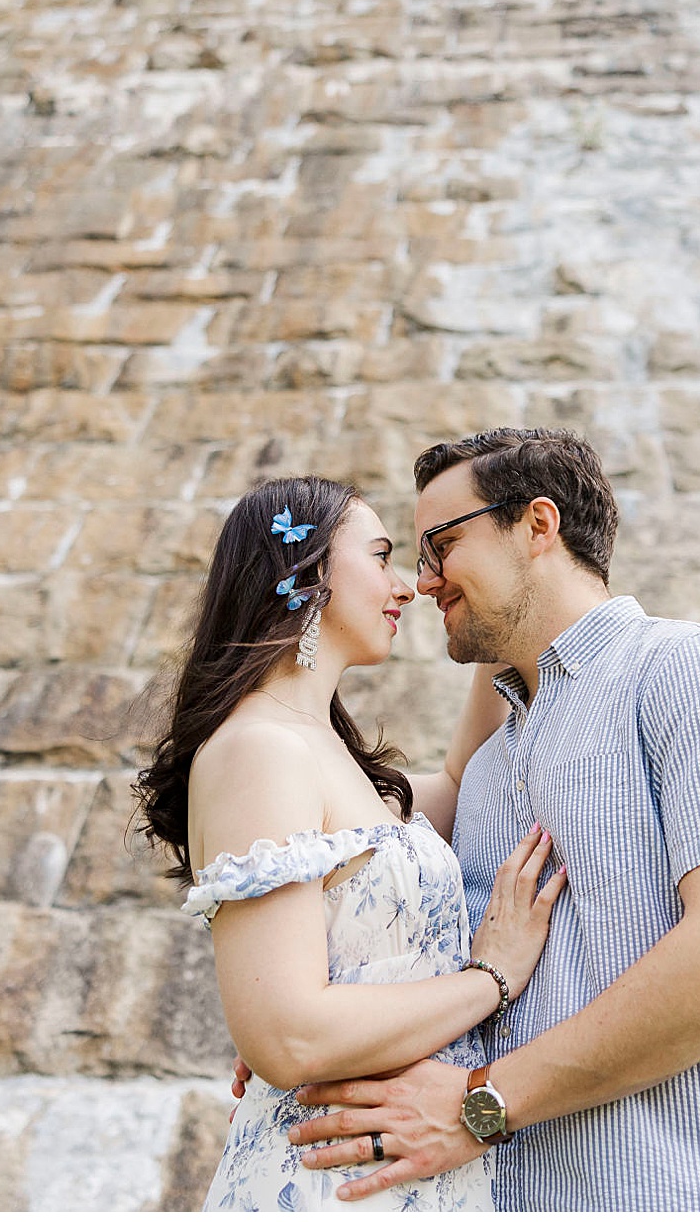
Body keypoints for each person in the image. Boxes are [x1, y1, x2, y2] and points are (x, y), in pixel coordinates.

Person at [277, 428, 700, 1210]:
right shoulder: (490, 766)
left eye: (441, 545)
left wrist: (483, 1104)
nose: (426, 581)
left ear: (538, 526)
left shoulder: (693, 672)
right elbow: (389, 911)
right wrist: (303, 999)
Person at [131, 474, 569, 1211]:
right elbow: (288, 1038)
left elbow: (462, 784)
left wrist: (504, 597)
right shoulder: (259, 751)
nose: (406, 587)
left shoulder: (323, 749)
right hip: (331, 1179)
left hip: (402, 1163)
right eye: (382, 557)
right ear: (305, 578)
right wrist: (490, 979)